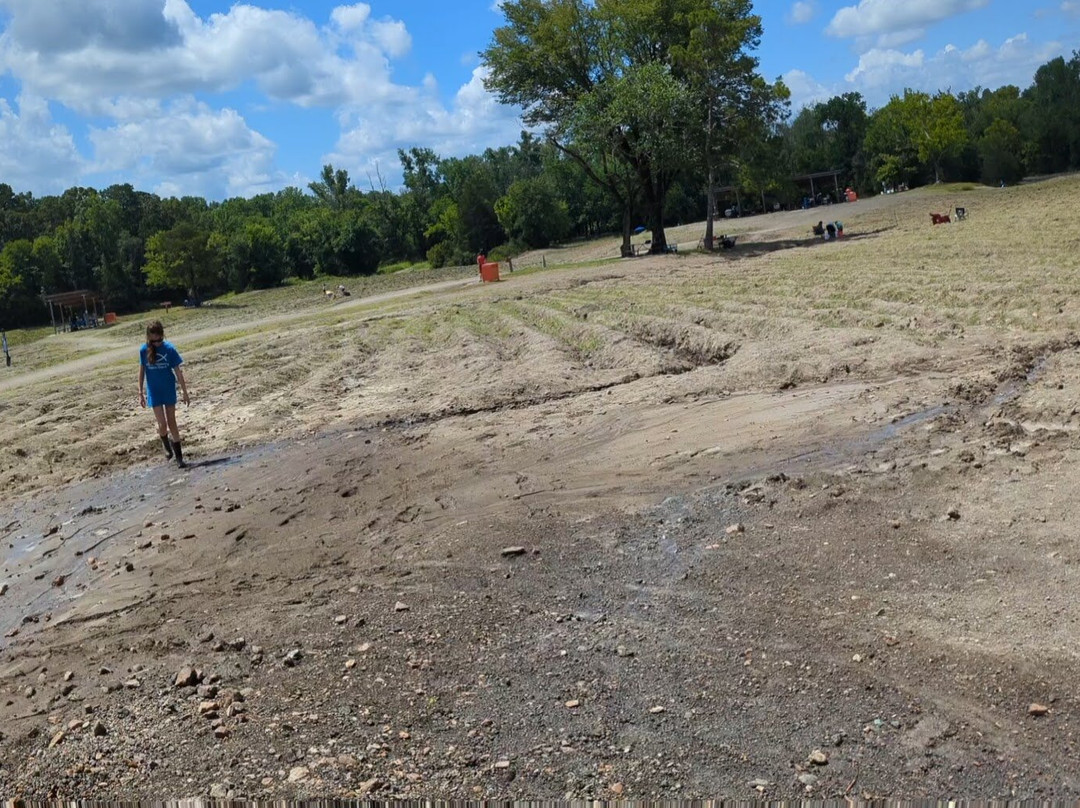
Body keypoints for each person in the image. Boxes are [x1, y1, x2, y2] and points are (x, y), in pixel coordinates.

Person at [138, 320, 190, 467]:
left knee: (172, 421)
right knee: (162, 424)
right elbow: (141, 372)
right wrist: (140, 392)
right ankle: (166, 445)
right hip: (154, 392)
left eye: (159, 340)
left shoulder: (169, 349)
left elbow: (178, 372)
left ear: (163, 335)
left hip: (168, 389)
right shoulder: (143, 351)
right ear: (149, 339)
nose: (157, 343)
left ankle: (179, 457)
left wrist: (185, 392)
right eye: (154, 341)